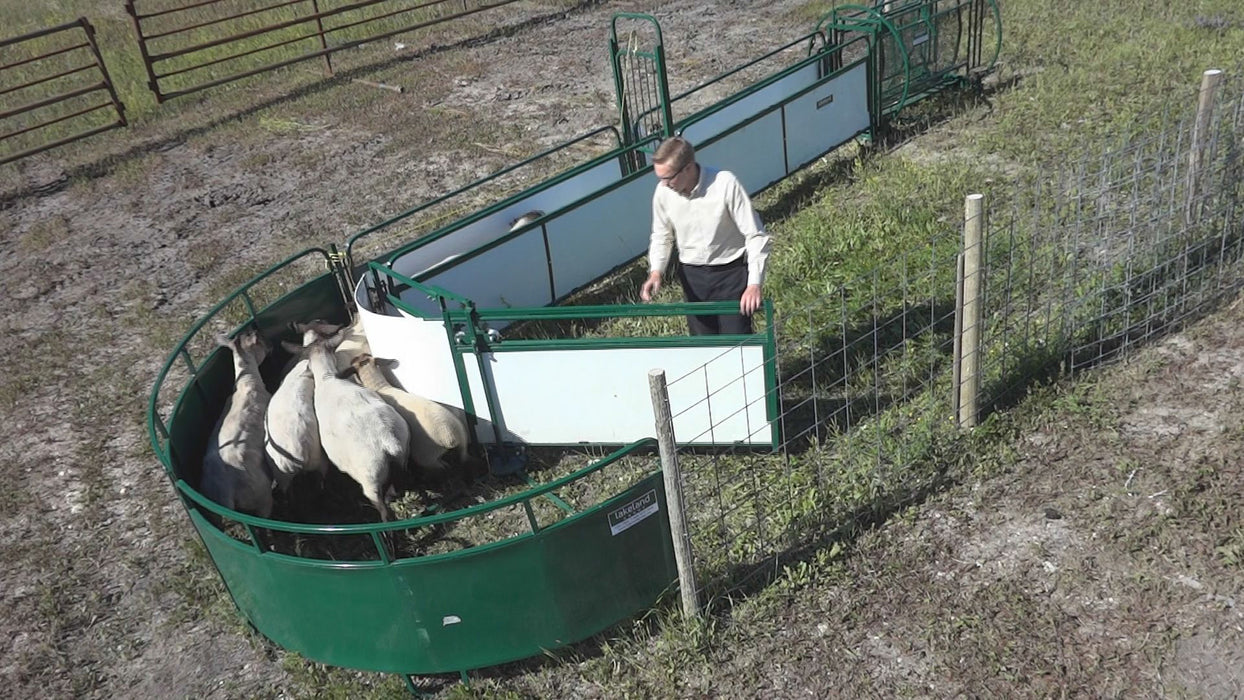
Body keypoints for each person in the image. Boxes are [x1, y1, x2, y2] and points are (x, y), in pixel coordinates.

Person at [639, 136, 772, 335]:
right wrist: (656, 272)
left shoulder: (724, 184)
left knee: (738, 342)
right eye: (660, 178)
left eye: (668, 178)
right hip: (693, 278)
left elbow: (755, 235)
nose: (664, 184)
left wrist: (754, 284)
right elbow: (661, 236)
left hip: (730, 275)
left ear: (688, 168)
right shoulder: (662, 193)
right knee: (704, 344)